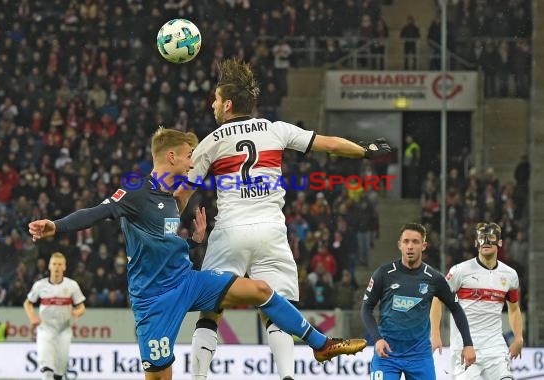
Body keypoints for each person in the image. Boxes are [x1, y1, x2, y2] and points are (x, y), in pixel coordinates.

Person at [28, 128, 367, 380]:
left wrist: (193, 242)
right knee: (161, 376)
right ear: (171, 156)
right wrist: (55, 226)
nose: (193, 161)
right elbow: (95, 212)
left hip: (187, 281)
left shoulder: (171, 198)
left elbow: (165, 243)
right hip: (154, 300)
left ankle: (321, 345)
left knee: (262, 290)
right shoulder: (135, 192)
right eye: (189, 154)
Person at [173, 58, 392, 380]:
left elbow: (182, 194)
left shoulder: (212, 141)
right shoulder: (276, 129)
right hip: (271, 232)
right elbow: (329, 145)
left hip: (231, 232)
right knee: (276, 308)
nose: (213, 104)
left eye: (217, 99)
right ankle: (288, 375)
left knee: (211, 311)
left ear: (229, 104)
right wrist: (365, 150)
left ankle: (198, 377)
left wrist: (164, 230)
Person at [360, 223, 476, 379]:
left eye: (415, 242)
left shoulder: (434, 278)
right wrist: (377, 339)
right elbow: (366, 308)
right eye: (406, 241)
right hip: (387, 353)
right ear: (399, 245)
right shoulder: (383, 273)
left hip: (419, 356)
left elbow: (456, 309)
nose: (410, 246)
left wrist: (468, 344)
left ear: (424, 246)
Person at [430, 222, 523, 379]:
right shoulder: (460, 271)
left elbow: (514, 308)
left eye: (491, 237)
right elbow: (437, 299)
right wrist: (435, 333)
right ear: (476, 243)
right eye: (481, 238)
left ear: (500, 243)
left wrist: (519, 337)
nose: (486, 242)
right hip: (465, 347)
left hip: (495, 349)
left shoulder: (510, 275)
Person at [23, 252, 86, 380]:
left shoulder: (72, 286)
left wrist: (77, 312)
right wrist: (32, 317)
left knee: (58, 374)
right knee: (47, 371)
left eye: (59, 264)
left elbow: (82, 307)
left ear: (64, 267)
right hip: (45, 331)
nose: (57, 267)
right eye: (54, 264)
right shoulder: (40, 285)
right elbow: (27, 303)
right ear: (49, 266)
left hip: (64, 332)